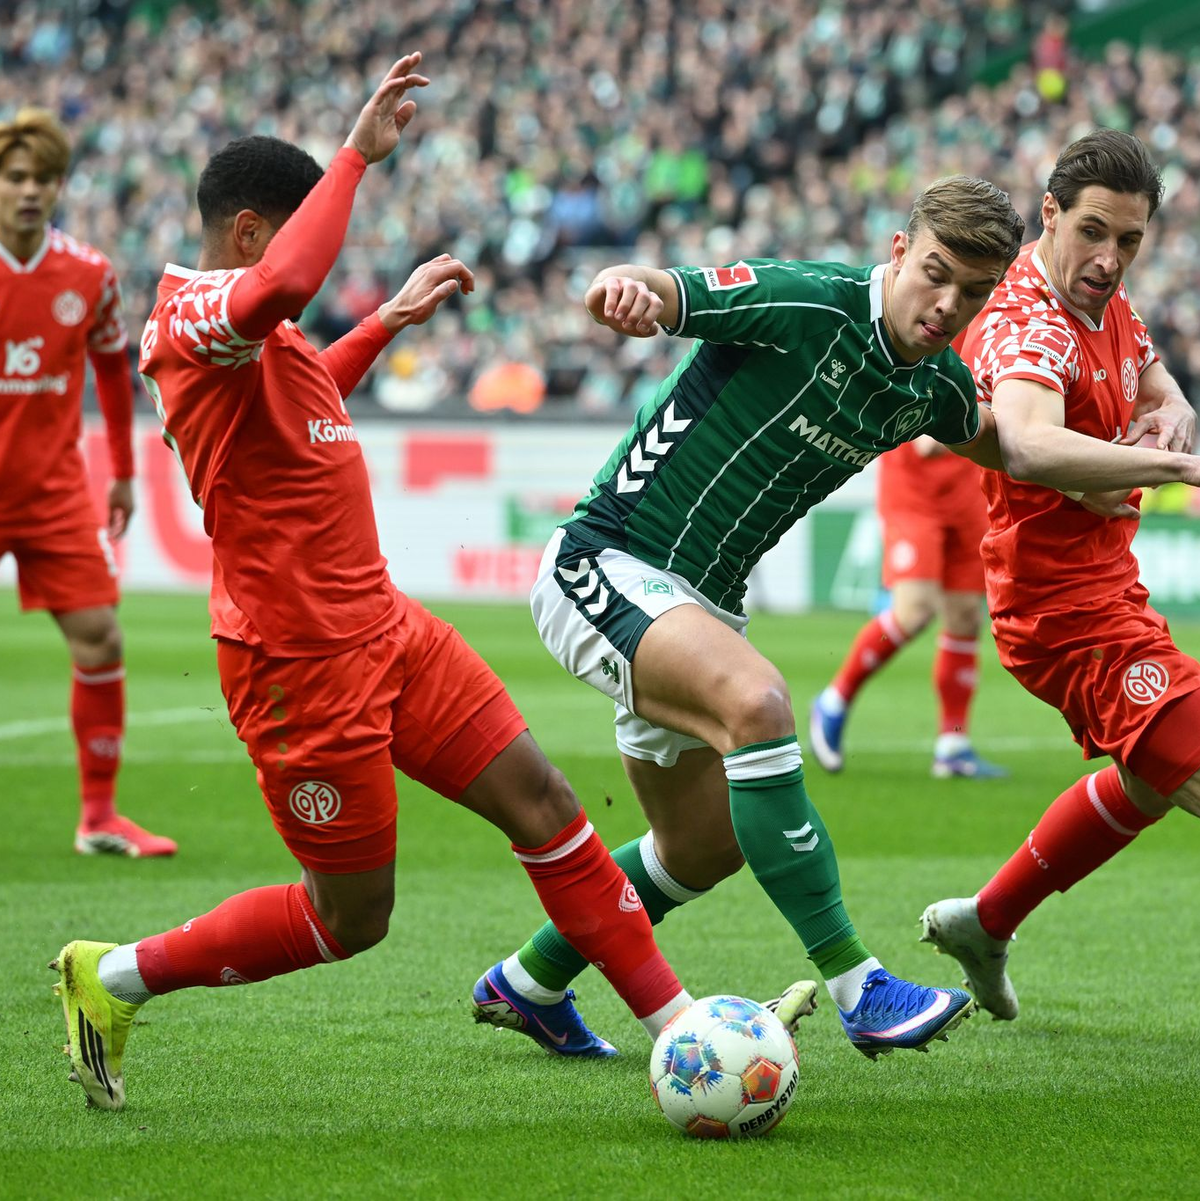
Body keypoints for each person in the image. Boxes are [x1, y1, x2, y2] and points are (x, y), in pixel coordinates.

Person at [51, 55, 694, 1112]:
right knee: (350, 918)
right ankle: (113, 975)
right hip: (298, 667)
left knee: (543, 801)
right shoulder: (190, 316)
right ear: (251, 232)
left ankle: (680, 1030)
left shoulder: (255, 337)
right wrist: (355, 156)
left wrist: (385, 323)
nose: (316, 254)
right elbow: (286, 286)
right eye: (298, 231)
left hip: (387, 629)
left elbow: (308, 399)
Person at [471, 175, 1035, 1063]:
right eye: (936, 274)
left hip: (700, 608)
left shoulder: (936, 384)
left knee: (700, 848)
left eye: (974, 291)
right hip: (607, 562)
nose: (947, 305)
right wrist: (620, 286)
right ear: (899, 251)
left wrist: (1125, 458)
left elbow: (1013, 445)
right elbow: (664, 289)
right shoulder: (807, 300)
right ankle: (860, 985)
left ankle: (528, 981)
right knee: (760, 704)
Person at [920, 129, 1200, 1020]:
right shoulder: (1027, 321)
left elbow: (1155, 379)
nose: (1110, 258)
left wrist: (1172, 416)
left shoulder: (1104, 301)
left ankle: (986, 920)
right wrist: (1175, 467)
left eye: (1130, 240)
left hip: (1110, 594)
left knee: (1152, 781)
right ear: (1049, 214)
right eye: (1093, 232)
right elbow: (1031, 444)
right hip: (1060, 615)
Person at [0, 109, 175, 858]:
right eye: (15, 178)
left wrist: (126, 475)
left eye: (43, 179)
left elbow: (112, 369)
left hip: (53, 492)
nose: (29, 191)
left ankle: (99, 817)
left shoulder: (89, 274)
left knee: (101, 637)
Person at [809, 439, 1007, 779]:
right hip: (914, 492)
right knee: (915, 610)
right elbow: (931, 442)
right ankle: (833, 701)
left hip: (969, 491)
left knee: (965, 616)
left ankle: (953, 745)